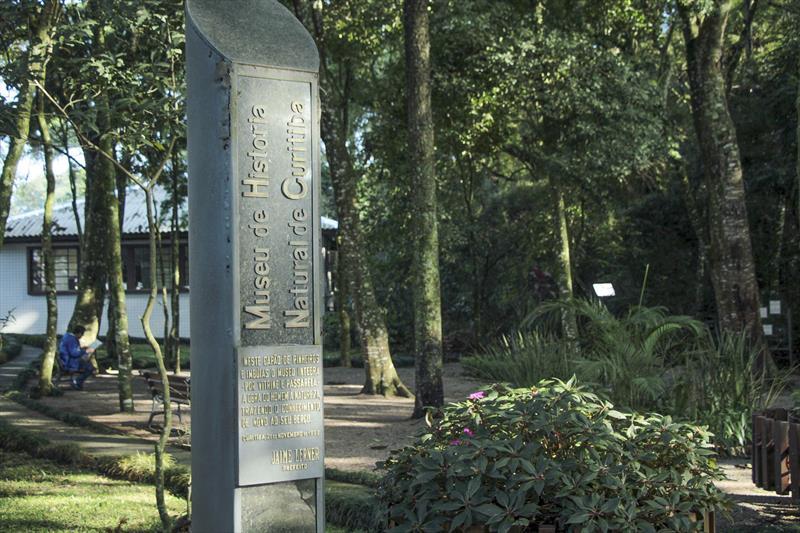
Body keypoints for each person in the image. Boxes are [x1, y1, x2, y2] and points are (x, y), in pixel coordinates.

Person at [58, 325, 95, 390]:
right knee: (90, 368)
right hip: (69, 362)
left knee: (88, 363)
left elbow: (73, 350)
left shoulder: (67, 337)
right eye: (82, 334)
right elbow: (74, 353)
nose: (82, 336)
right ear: (79, 333)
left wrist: (82, 349)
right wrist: (86, 351)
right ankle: (78, 382)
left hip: (66, 360)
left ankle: (77, 382)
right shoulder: (71, 339)